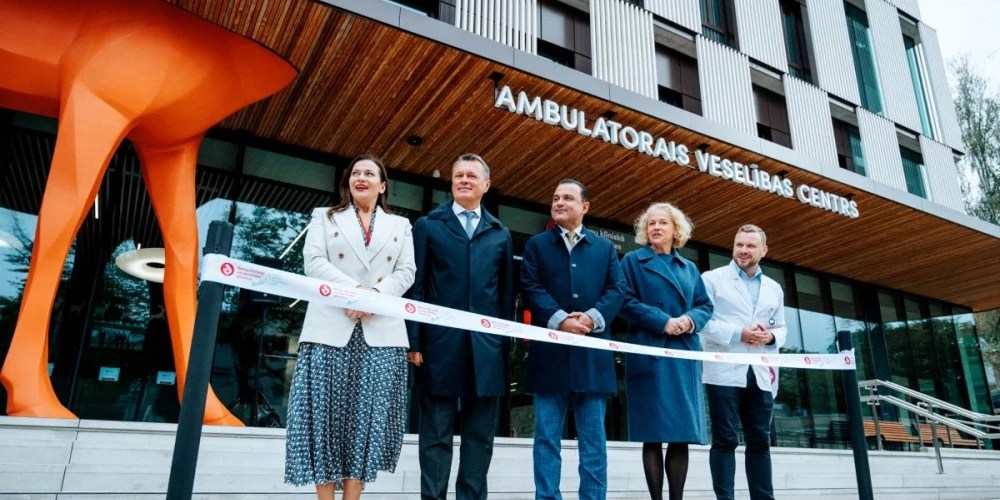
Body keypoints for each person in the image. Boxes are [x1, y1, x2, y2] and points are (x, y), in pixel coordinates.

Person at [284, 154, 416, 500]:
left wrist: (374, 296)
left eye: (370, 173)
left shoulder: (401, 226)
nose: (361, 177)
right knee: (324, 420)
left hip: (381, 332)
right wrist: (354, 294)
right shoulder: (324, 218)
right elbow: (313, 261)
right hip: (330, 325)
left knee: (366, 423)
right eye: (356, 172)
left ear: (382, 185)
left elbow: (406, 271)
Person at [406, 154, 515, 500]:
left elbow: (506, 295)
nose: (464, 180)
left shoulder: (500, 234)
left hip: (486, 351)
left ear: (486, 184)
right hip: (438, 347)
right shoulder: (428, 225)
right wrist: (415, 341)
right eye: (458, 176)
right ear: (451, 182)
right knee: (435, 436)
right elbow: (417, 287)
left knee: (479, 438)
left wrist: (503, 346)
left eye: (471, 175)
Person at [520, 179, 625, 500]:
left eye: (568, 198)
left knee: (593, 441)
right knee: (547, 439)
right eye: (555, 198)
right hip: (548, 358)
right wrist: (560, 320)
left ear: (585, 207)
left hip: (592, 360)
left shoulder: (605, 248)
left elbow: (617, 290)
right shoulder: (536, 245)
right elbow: (530, 286)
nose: (560, 202)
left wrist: (592, 317)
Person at [618, 203, 713, 500]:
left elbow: (705, 306)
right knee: (653, 434)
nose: (656, 228)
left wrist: (688, 321)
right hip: (651, 353)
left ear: (676, 230)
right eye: (651, 224)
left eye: (662, 223)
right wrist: (663, 321)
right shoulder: (633, 261)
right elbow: (624, 301)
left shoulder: (689, 268)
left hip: (683, 355)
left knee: (680, 435)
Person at [699, 224, 787, 500]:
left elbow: (782, 328)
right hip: (723, 372)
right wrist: (739, 333)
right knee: (725, 439)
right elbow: (703, 321)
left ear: (764, 250)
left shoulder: (774, 288)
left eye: (750, 246)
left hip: (761, 372)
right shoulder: (712, 279)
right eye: (739, 245)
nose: (744, 250)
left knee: (760, 441)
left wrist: (770, 337)